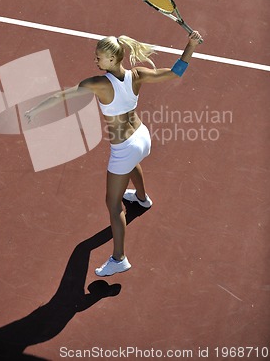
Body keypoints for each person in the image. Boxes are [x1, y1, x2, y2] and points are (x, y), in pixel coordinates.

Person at [25, 31, 203, 276]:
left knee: (113, 203)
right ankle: (142, 198)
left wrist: (34, 111)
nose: (95, 60)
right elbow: (176, 72)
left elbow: (62, 96)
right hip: (142, 136)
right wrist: (190, 44)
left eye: (99, 57)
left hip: (125, 147)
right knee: (132, 163)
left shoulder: (98, 84)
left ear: (111, 59)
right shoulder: (137, 74)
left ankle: (119, 258)